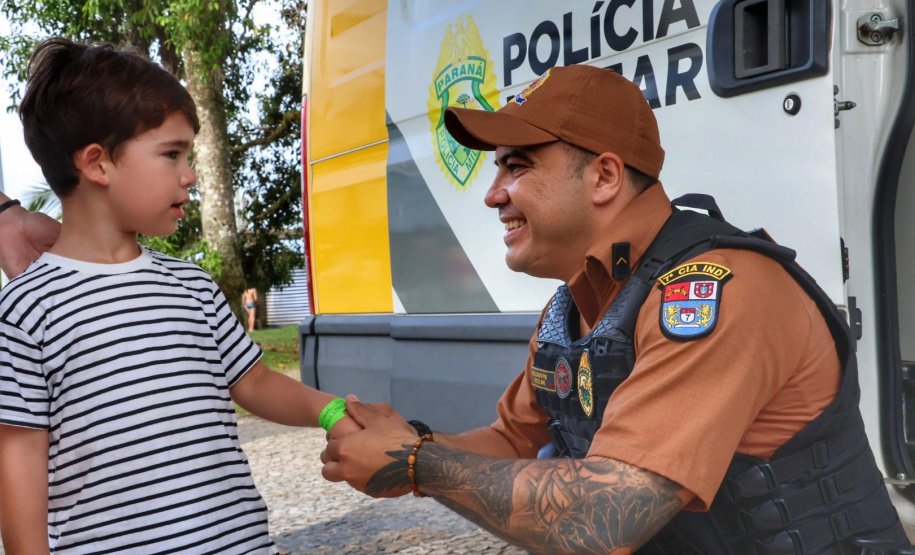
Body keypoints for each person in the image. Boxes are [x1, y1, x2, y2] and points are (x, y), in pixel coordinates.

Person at [320, 65, 912, 554]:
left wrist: (416, 463)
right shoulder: (574, 304)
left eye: (517, 165)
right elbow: (511, 441)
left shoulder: (718, 289)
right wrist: (409, 442)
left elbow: (606, 519)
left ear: (604, 176)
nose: (493, 193)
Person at [0, 38, 359, 554]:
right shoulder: (27, 312)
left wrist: (332, 412)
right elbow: (20, 460)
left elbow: (254, 382)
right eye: (172, 154)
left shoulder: (192, 286)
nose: (190, 175)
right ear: (98, 164)